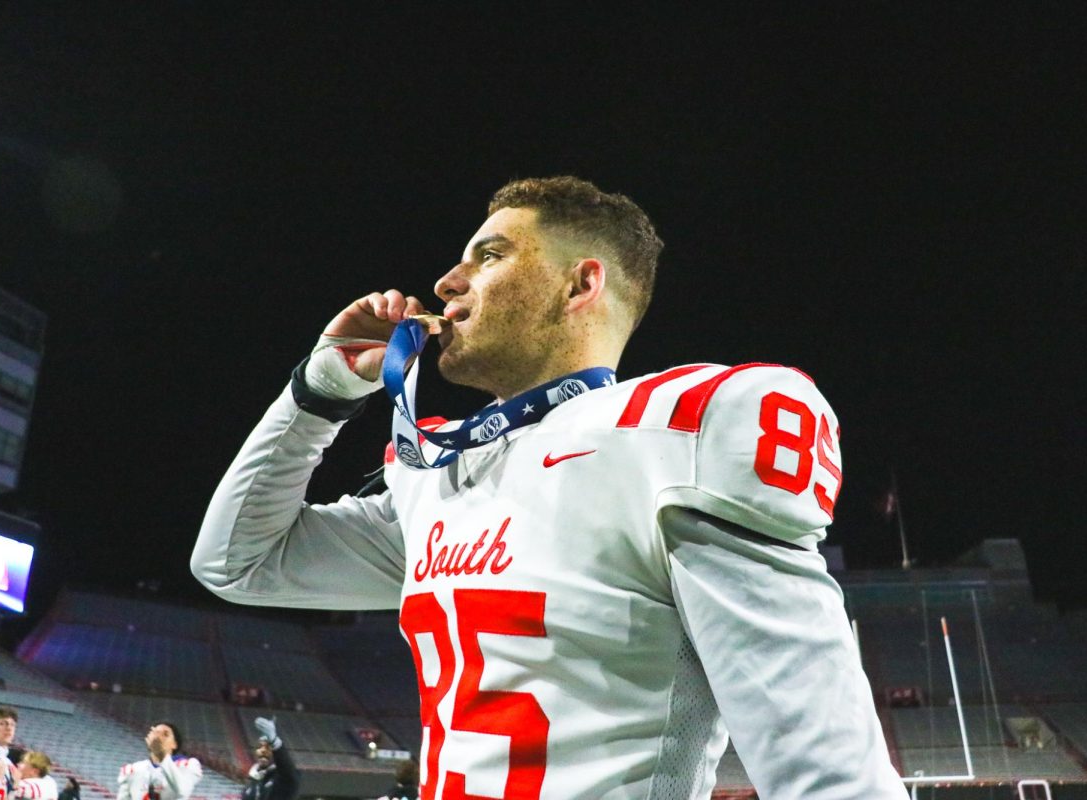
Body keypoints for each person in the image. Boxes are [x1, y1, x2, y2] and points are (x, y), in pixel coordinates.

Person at [193, 176, 907, 798]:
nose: (446, 281)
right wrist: (317, 395)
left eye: (490, 255)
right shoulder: (440, 476)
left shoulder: (673, 432)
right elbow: (237, 562)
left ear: (581, 283)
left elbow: (822, 763)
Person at [117, 722, 201, 800]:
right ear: (148, 739)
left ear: (175, 744)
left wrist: (162, 755)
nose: (159, 737)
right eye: (156, 733)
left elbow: (183, 790)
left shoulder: (189, 765)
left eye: (165, 734)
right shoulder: (132, 770)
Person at [241, 717, 298, 800]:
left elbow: (288, 771)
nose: (263, 751)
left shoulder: (284, 777)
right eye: (260, 746)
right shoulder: (252, 779)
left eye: (268, 747)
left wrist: (275, 742)